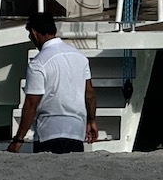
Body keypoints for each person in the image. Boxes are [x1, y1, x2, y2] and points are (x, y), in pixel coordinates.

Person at [7, 12, 98, 153]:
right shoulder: (80, 57)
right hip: (76, 130)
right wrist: (91, 120)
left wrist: (18, 140)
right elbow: (90, 94)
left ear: (34, 33)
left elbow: (31, 104)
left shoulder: (38, 63)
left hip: (49, 131)